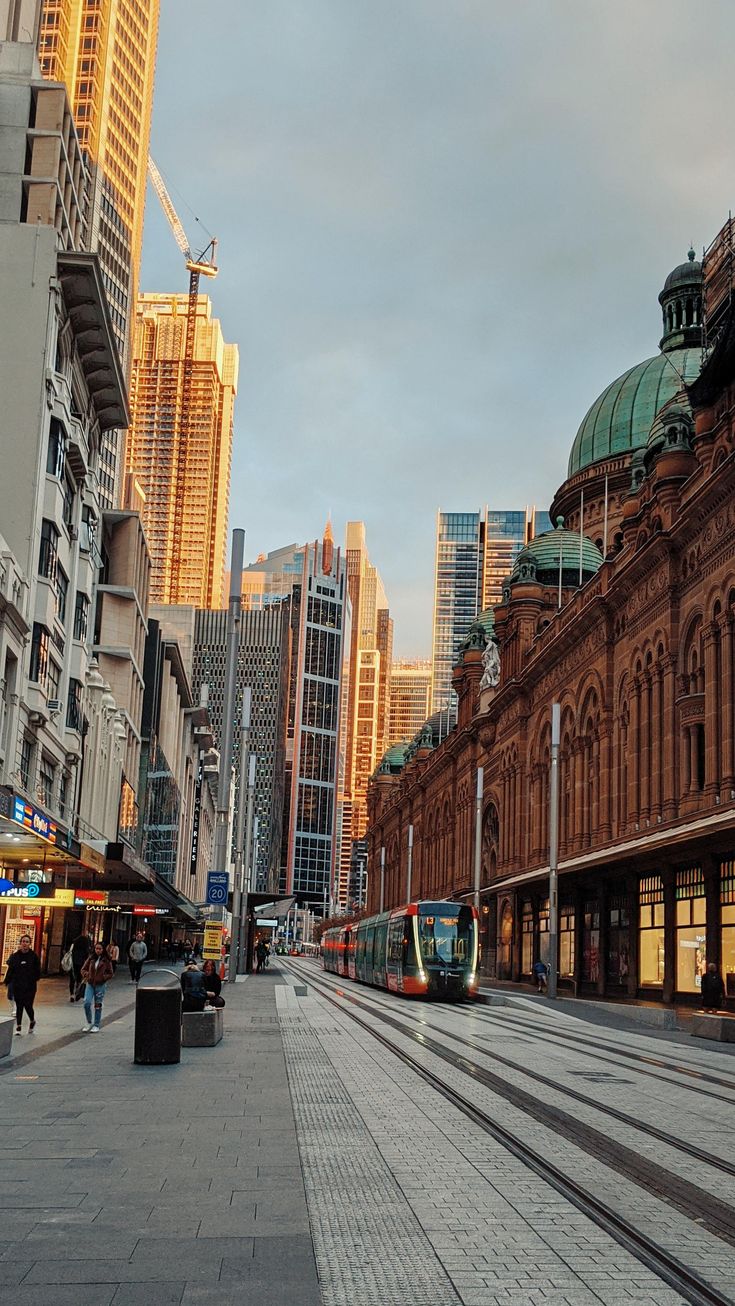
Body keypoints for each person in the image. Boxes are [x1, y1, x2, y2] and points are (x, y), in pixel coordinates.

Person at [4, 934, 41, 1035]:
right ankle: (19, 1027)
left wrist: (33, 978)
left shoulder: (34, 956)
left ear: (30, 944)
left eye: (27, 942)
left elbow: (38, 972)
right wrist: (7, 981)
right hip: (18, 985)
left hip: (30, 986)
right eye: (23, 941)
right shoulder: (15, 956)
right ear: (20, 943)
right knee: (19, 1005)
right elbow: (11, 969)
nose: (25, 944)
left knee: (28, 1005)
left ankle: (32, 1021)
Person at [80, 941, 114, 1031]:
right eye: (96, 948)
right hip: (90, 983)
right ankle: (88, 1022)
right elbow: (83, 969)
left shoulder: (106, 960)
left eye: (100, 949)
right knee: (87, 1003)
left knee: (98, 1005)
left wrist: (103, 977)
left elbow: (110, 973)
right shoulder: (91, 958)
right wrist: (87, 974)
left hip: (100, 985)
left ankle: (96, 1024)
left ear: (103, 950)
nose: (98, 950)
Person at [69, 931, 92, 1002]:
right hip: (81, 965)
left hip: (72, 964)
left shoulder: (74, 944)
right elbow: (87, 957)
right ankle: (77, 992)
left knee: (72, 980)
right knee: (79, 979)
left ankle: (71, 994)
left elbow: (69, 952)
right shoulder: (85, 947)